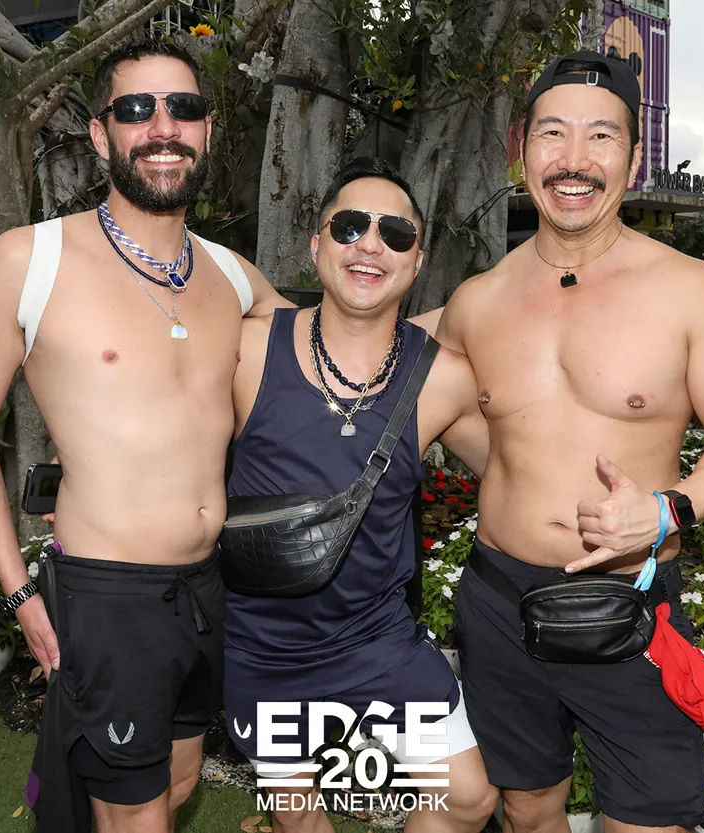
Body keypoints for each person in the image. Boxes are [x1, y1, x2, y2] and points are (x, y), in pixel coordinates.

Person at [0, 39, 288, 833]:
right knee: (134, 814)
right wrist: (19, 591)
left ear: (206, 132)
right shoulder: (29, 260)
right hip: (107, 594)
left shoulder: (235, 278)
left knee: (181, 776)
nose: (162, 127)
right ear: (101, 135)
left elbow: (338, 344)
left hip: (210, 585)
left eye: (183, 108)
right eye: (137, 109)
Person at [436, 51, 704, 832]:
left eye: (601, 136)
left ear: (634, 156)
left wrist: (667, 509)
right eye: (552, 133)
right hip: (498, 600)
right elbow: (430, 398)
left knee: (650, 820)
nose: (574, 159)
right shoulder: (476, 301)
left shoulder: (694, 292)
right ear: (521, 147)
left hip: (633, 604)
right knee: (527, 807)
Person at [223, 157, 498, 833]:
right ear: (316, 244)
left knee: (468, 797)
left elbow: (519, 472)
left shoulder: (445, 379)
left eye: (394, 233)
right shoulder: (246, 350)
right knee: (300, 822)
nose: (370, 244)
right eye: (350, 226)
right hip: (260, 644)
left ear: (417, 260)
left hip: (377, 641)